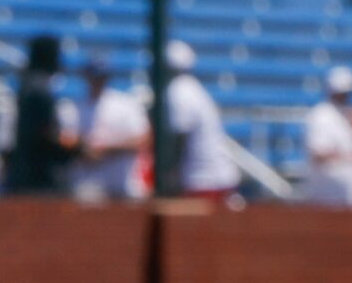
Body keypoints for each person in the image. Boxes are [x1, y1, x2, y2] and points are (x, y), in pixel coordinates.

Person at [0, 33, 76, 196]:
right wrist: (78, 147)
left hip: (25, 172)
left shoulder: (27, 84)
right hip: (40, 177)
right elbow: (47, 131)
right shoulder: (39, 89)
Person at [161, 41, 237, 201]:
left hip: (202, 179)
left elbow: (180, 136)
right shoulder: (194, 88)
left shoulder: (178, 90)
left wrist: (170, 172)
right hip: (213, 175)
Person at [72, 56, 152, 203]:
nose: (98, 81)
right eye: (94, 76)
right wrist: (83, 148)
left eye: (101, 76)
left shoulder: (125, 105)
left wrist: (108, 149)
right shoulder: (76, 107)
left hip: (123, 185)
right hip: (90, 186)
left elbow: (144, 139)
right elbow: (67, 139)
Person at [299, 66, 352, 208]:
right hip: (329, 194)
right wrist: (350, 157)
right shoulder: (321, 115)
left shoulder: (350, 115)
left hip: (350, 191)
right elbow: (318, 154)